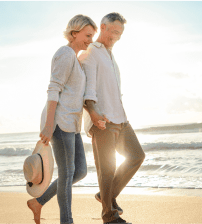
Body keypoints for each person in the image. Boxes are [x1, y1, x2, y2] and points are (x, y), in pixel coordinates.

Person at [27, 14, 97, 224]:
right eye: (87, 35)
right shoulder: (65, 54)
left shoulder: (75, 59)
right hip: (59, 123)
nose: (90, 40)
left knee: (80, 171)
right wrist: (49, 125)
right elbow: (53, 89)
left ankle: (38, 202)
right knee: (67, 176)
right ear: (74, 33)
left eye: (92, 36)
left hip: (71, 125)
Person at [79, 12, 146, 224]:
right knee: (106, 170)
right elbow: (88, 89)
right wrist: (93, 114)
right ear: (103, 27)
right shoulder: (92, 52)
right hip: (103, 120)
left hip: (121, 118)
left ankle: (106, 196)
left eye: (120, 33)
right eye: (114, 31)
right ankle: (109, 217)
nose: (116, 36)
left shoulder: (110, 54)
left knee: (137, 156)